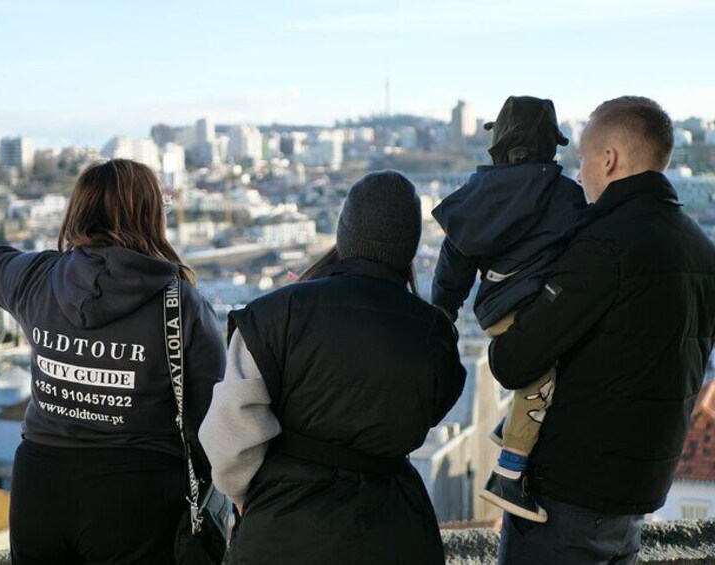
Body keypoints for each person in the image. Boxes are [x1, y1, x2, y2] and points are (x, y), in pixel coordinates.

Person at [0, 159, 225, 565]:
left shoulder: (37, 276)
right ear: (151, 215)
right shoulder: (179, 304)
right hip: (137, 488)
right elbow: (213, 416)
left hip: (41, 481)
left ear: (78, 210)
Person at [198, 171, 467, 565]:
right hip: (396, 531)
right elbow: (434, 409)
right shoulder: (435, 332)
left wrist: (248, 497)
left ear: (344, 233)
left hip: (283, 531)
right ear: (410, 247)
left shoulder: (275, 314)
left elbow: (228, 433)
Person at [489, 96, 715, 564]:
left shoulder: (604, 245)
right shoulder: (699, 249)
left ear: (608, 160)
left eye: (583, 159)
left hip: (567, 497)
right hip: (638, 495)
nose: (579, 172)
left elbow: (514, 362)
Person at [431, 96, 593, 522]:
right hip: (536, 307)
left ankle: (511, 427)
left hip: (494, 308)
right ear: (550, 145)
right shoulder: (564, 196)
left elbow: (454, 258)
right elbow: (586, 255)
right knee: (545, 378)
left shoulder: (477, 193)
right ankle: (509, 473)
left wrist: (444, 309)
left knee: (536, 377)